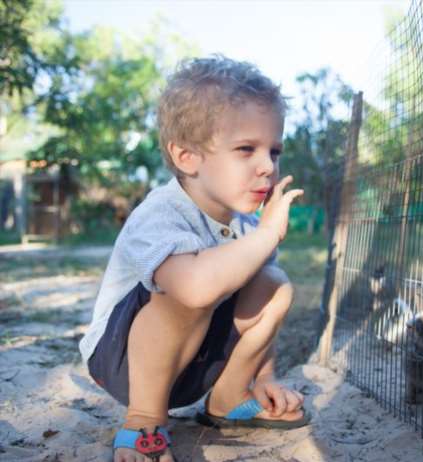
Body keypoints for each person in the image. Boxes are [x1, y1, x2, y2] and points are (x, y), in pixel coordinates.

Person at [78, 55, 308, 462]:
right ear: (187, 157)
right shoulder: (161, 213)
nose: (266, 167)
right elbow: (196, 287)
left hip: (193, 365)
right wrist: (270, 231)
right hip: (123, 363)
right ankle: (144, 418)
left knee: (274, 283)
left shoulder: (246, 226)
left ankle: (228, 399)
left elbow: (253, 290)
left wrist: (267, 375)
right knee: (189, 289)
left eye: (274, 151)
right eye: (245, 149)